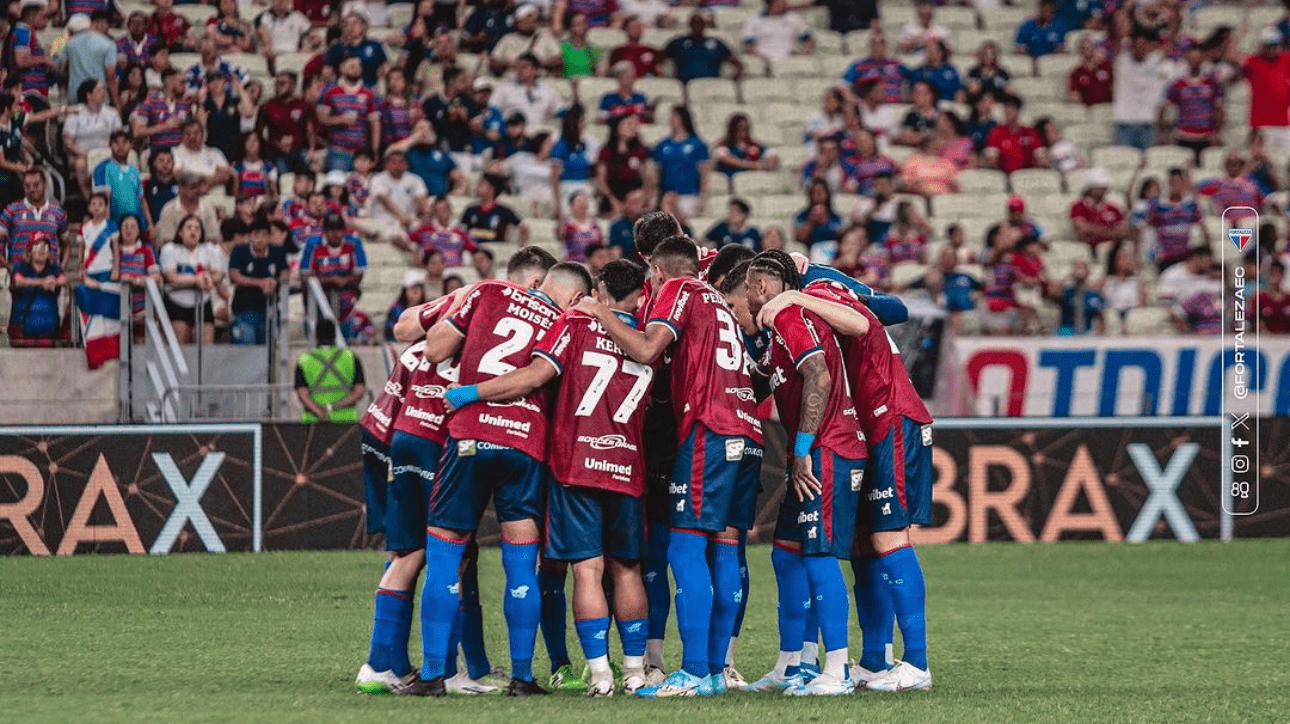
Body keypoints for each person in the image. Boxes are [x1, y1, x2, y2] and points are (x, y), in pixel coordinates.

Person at [443, 259, 655, 696]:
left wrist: (470, 392)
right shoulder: (649, 337)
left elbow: (538, 375)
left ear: (598, 290)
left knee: (587, 571)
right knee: (628, 570)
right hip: (627, 463)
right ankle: (636, 671)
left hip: (578, 462)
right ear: (640, 294)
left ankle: (599, 675)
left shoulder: (577, 321)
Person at [573, 237, 764, 698]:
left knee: (683, 550)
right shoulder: (718, 302)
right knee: (723, 549)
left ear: (657, 273)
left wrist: (599, 312)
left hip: (709, 429)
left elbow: (646, 350)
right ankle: (718, 670)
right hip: (747, 431)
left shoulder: (680, 288)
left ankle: (695, 672)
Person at [751, 253, 934, 693]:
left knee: (889, 537)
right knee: (865, 546)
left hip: (890, 415)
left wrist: (798, 291)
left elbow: (863, 324)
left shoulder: (817, 292)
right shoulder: (807, 308)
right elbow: (888, 308)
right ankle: (875, 660)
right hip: (867, 427)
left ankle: (918, 663)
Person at [409, 253, 587, 698]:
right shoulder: (567, 324)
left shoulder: (487, 291)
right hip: (526, 446)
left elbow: (433, 350)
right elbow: (539, 379)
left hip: (470, 435)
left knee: (446, 552)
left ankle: (432, 675)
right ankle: (522, 678)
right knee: (521, 563)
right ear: (576, 296)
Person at [717, 252, 864, 696]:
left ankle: (835, 669)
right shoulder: (780, 332)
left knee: (818, 556)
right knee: (785, 553)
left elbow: (817, 378)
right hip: (821, 447)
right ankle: (792, 664)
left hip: (828, 448)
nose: (742, 303)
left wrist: (800, 451)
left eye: (743, 294)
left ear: (760, 288)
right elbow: (768, 379)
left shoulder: (788, 316)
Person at [300, 212, 367, 337]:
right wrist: (332, 280)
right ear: (324, 231)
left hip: (345, 300)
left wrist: (343, 281)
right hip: (318, 301)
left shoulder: (353, 243)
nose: (335, 234)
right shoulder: (313, 244)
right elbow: (305, 275)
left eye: (338, 230)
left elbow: (360, 272)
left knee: (346, 338)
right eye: (331, 230)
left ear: (344, 230)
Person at [159, 214, 223, 343]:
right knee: (182, 347)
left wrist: (210, 279)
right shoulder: (170, 249)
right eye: (189, 227)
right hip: (176, 302)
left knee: (206, 346)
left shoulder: (210, 249)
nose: (193, 231)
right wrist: (197, 280)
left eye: (197, 228)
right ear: (180, 232)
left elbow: (218, 274)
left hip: (203, 301)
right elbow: (171, 277)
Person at [227, 218, 289, 344]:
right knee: (247, 346)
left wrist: (274, 282)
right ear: (249, 237)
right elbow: (234, 276)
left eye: (264, 235)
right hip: (244, 308)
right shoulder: (239, 251)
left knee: (268, 349)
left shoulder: (278, 251)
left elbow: (285, 273)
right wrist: (261, 283)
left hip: (270, 308)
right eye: (256, 235)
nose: (260, 239)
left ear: (269, 237)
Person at [295, 318, 367, 422]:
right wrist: (334, 407)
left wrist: (319, 412)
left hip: (313, 421)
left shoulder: (304, 359)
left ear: (316, 336)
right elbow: (359, 391)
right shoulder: (350, 356)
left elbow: (302, 395)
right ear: (335, 335)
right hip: (346, 419)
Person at [318, 56, 381, 171]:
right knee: (337, 187)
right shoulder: (329, 90)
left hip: (361, 153)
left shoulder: (369, 92)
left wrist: (374, 150)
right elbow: (321, 118)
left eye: (358, 66)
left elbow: (375, 123)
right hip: (338, 152)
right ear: (342, 68)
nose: (356, 69)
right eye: (352, 66)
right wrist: (340, 120)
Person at [1113, 28, 1171, 151]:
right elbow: (1118, 36)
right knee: (1124, 162)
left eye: (1143, 46)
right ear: (1131, 46)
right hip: (1125, 123)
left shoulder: (1154, 62)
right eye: (1137, 45)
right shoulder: (1122, 61)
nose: (1140, 49)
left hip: (1147, 124)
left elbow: (1170, 44)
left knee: (1147, 163)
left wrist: (1175, 17)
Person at [64, 80, 123, 198]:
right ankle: (90, 200)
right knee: (80, 164)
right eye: (99, 90)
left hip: (107, 153)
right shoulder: (75, 113)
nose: (104, 93)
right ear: (89, 95)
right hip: (82, 155)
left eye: (104, 90)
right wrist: (84, 154)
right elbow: (68, 143)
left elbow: (119, 138)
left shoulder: (112, 113)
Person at [1, 169, 69, 267]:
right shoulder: (11, 210)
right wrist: (8, 267)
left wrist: (61, 269)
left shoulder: (58, 212)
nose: (32, 189)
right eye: (27, 186)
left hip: (49, 276)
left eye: (36, 185)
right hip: (20, 276)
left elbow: (66, 245)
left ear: (45, 184)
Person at [652, 106, 710, 218]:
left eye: (676, 116)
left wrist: (703, 197)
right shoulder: (662, 145)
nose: (672, 119)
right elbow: (657, 173)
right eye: (671, 116)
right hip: (666, 195)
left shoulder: (697, 144)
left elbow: (704, 173)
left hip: (688, 195)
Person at [8, 234, 66, 345]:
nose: (41, 251)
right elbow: (18, 280)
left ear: (49, 253)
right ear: (29, 251)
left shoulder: (54, 268)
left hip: (48, 329)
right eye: (37, 247)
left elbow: (64, 280)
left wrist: (54, 282)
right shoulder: (21, 266)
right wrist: (43, 282)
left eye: (45, 247)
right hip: (22, 329)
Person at [1242, 27, 1290, 151]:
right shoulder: (1253, 62)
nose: (1272, 48)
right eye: (1269, 45)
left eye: (1275, 45)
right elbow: (1230, 57)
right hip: (1262, 124)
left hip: (1284, 124)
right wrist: (1241, 33)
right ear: (1262, 45)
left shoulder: (1286, 59)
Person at [663, 12, 743, 84]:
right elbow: (660, 57)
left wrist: (734, 81)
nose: (697, 26)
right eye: (694, 23)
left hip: (712, 84)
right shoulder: (678, 43)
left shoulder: (716, 44)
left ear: (704, 25)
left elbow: (736, 62)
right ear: (690, 25)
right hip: (686, 85)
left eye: (700, 23)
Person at [1147, 168, 1203, 271]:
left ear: (1184, 183)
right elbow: (1149, 229)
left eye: (1179, 182)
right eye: (1173, 182)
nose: (1176, 186)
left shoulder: (1191, 204)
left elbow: (1201, 225)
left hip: (1187, 256)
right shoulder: (1157, 204)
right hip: (1165, 257)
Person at [131, 68, 197, 153]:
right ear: (169, 82)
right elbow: (137, 132)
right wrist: (165, 126)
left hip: (181, 154)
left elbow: (189, 131)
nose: (184, 86)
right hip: (158, 153)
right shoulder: (150, 102)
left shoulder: (186, 104)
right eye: (181, 83)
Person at [92, 130, 148, 229]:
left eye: (124, 142)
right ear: (110, 145)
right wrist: (107, 228)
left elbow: (141, 199)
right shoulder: (102, 168)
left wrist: (150, 224)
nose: (120, 146)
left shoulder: (134, 170)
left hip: (136, 225)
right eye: (116, 143)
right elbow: (101, 201)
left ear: (131, 145)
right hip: (114, 225)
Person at [493, 53, 567, 127]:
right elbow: (492, 110)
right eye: (517, 67)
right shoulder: (504, 89)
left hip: (537, 134)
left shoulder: (547, 91)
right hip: (512, 133)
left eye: (524, 67)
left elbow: (562, 112)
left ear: (536, 70)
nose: (519, 70)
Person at [549, 105, 599, 214]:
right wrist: (557, 205)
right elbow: (554, 178)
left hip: (585, 187)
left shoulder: (585, 145)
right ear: (573, 123)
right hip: (567, 189)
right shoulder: (561, 146)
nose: (584, 123)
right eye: (582, 120)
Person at [65, 12, 120, 111]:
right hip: (98, 95)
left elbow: (63, 70)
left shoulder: (70, 43)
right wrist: (116, 103)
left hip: (74, 96)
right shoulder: (108, 44)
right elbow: (110, 76)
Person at [597, 114, 651, 212]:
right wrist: (613, 200)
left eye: (633, 126)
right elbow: (601, 181)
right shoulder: (606, 151)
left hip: (634, 195)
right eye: (628, 125)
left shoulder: (639, 151)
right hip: (612, 195)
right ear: (617, 128)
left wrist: (642, 198)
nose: (632, 128)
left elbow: (646, 179)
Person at [491, 4, 563, 76]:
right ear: (517, 23)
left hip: (541, 79)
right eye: (524, 21)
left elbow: (558, 60)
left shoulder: (546, 36)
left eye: (531, 20)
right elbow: (494, 61)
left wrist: (536, 65)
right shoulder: (507, 39)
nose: (528, 23)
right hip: (511, 80)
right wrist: (511, 64)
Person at [984, 94, 1045, 175]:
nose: (1008, 111)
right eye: (1006, 107)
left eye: (1012, 107)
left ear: (1018, 110)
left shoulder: (1030, 132)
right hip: (1004, 175)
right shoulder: (996, 132)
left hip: (1027, 176)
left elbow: (1041, 156)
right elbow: (991, 159)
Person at [461, 173, 529, 244]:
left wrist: (522, 245)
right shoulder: (471, 209)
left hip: (495, 249)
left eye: (481, 184)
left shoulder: (504, 211)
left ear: (492, 188)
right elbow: (462, 229)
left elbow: (523, 226)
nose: (477, 186)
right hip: (473, 246)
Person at [370, 150, 430, 230]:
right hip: (383, 222)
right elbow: (384, 199)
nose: (397, 165)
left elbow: (423, 199)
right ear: (386, 165)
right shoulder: (377, 179)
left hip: (410, 223)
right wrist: (402, 217)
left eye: (401, 162)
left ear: (406, 165)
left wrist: (426, 214)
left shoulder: (415, 179)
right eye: (393, 162)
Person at [155, 174, 222, 245]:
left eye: (198, 187)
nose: (197, 191)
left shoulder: (208, 208)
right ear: (181, 189)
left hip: (202, 252)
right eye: (192, 188)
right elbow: (167, 241)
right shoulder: (169, 209)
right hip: (176, 252)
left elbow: (213, 238)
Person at [325, 13, 389, 87]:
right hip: (343, 91)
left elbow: (386, 68)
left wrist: (380, 85)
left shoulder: (375, 45)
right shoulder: (337, 47)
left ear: (364, 26)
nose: (350, 27)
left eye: (354, 23)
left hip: (371, 89)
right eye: (346, 25)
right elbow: (327, 71)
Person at [741, 0, 813, 63]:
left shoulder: (794, 19)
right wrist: (763, 59)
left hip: (789, 60)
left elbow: (809, 42)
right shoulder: (753, 21)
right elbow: (748, 48)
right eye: (781, 1)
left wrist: (801, 55)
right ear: (770, 3)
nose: (785, 3)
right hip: (763, 60)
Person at [844, 32, 905, 104]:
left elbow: (915, 78)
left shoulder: (897, 64)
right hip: (868, 108)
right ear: (869, 48)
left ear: (886, 48)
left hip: (894, 106)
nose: (877, 47)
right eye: (874, 44)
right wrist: (853, 102)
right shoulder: (859, 66)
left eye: (881, 44)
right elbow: (844, 85)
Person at [793, 178, 844, 262]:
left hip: (833, 253)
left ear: (827, 194)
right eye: (815, 192)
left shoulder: (836, 217)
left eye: (821, 191)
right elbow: (798, 238)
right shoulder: (802, 216)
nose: (819, 194)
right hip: (811, 252)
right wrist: (810, 221)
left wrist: (825, 221)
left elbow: (842, 238)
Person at [714, 113, 779, 179]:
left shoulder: (755, 144)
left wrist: (764, 165)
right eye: (739, 128)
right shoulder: (723, 144)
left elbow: (774, 156)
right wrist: (751, 165)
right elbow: (724, 158)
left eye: (746, 128)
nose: (743, 132)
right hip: (732, 179)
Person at [896, 0, 950, 66]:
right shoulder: (908, 29)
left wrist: (938, 43)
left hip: (935, 66)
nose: (926, 16)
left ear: (933, 14)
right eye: (923, 14)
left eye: (928, 14)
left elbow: (950, 50)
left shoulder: (942, 30)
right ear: (918, 13)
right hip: (913, 63)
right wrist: (920, 41)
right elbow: (900, 46)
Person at [558, 191, 603, 262]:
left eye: (584, 201)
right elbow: (561, 248)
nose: (582, 204)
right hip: (573, 265)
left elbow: (601, 247)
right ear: (571, 206)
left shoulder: (596, 225)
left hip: (594, 265)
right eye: (579, 201)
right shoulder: (566, 226)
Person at [561, 12, 603, 79]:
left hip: (588, 84)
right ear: (570, 26)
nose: (580, 27)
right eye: (577, 24)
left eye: (583, 23)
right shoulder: (562, 47)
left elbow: (600, 73)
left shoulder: (594, 48)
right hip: (567, 84)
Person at [1255, 261, 1290, 333]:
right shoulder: (1260, 297)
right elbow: (1254, 319)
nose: (1275, 275)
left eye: (1278, 273)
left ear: (1283, 275)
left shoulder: (1288, 298)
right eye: (1272, 273)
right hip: (1267, 338)